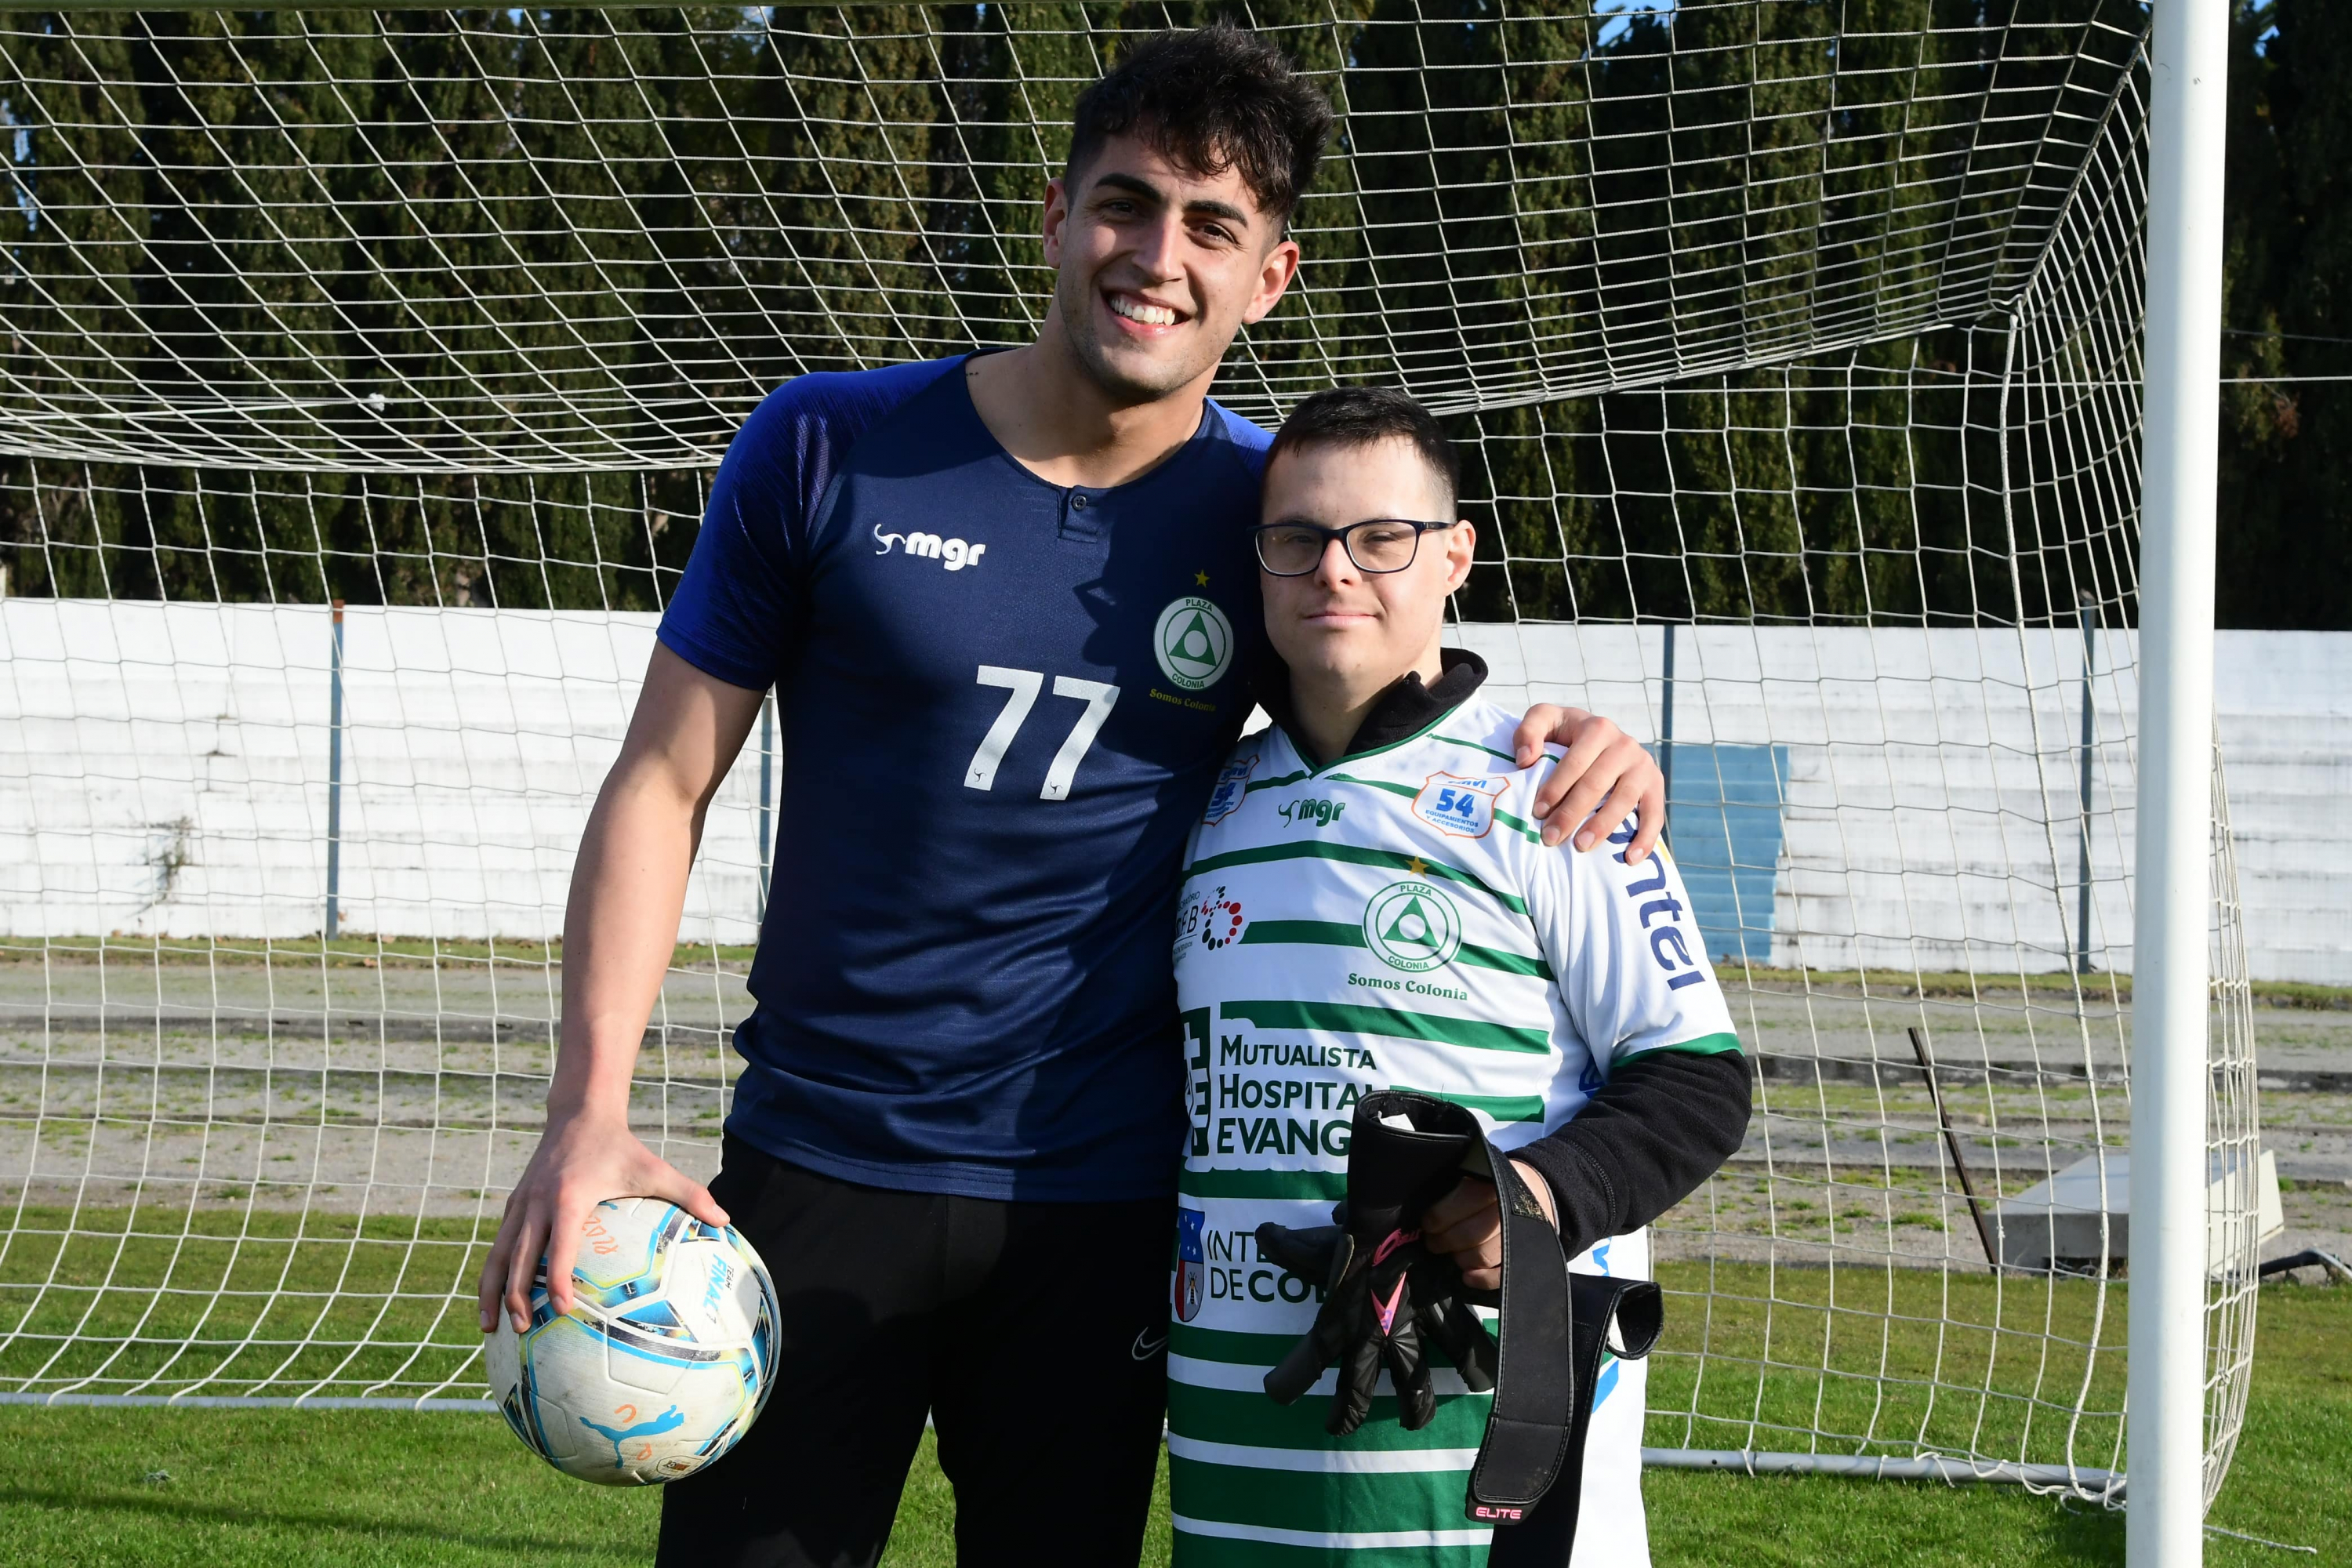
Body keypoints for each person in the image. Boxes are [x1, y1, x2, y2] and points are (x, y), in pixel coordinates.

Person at [476, 27, 1669, 1568]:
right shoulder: (826, 446)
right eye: (1125, 204)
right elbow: (663, 775)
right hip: (819, 1168)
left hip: (1102, 1213)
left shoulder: (1265, 523)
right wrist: (587, 1109)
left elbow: (1401, 702)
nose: (1154, 255)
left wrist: (1566, 738)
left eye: (1210, 227)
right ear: (1055, 215)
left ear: (1272, 276)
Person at [1166, 386, 1752, 1566]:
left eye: (1381, 538)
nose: (1336, 571)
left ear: (1453, 559)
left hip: (1482, 1450)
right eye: (1298, 541)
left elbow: (1697, 1083)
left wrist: (1526, 1202)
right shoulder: (1211, 807)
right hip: (1240, 1459)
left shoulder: (1555, 791)